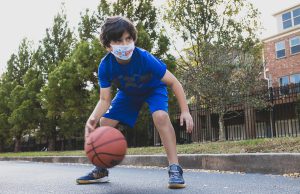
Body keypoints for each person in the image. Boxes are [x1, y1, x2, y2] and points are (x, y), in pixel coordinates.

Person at [76, 16, 194, 189]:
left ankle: (175, 168)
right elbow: (104, 99)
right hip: (129, 92)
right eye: (118, 40)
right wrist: (92, 119)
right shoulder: (105, 66)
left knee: (161, 116)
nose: (125, 44)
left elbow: (174, 82)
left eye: (128, 39)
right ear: (109, 46)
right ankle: (101, 169)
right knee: (105, 121)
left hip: (153, 88)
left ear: (133, 39)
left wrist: (185, 110)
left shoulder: (144, 57)